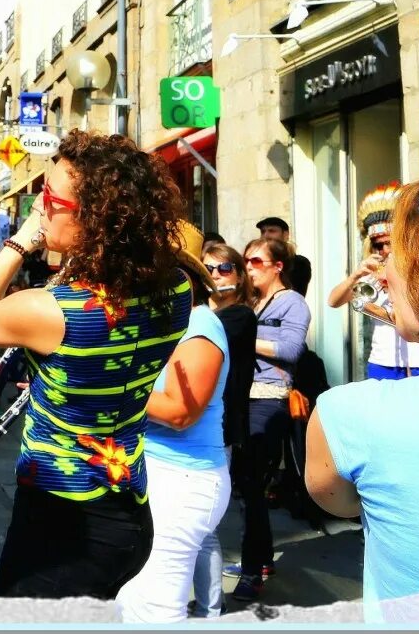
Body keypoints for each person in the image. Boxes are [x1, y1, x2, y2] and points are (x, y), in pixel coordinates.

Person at [0, 130, 194, 600]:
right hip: (128, 508)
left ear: (95, 218)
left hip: (63, 523)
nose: (41, 209)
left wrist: (21, 242)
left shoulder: (53, 311)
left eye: (48, 198)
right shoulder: (177, 288)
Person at [307, 181, 419, 622]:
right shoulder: (370, 272)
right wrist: (359, 274)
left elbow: (342, 500)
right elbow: (339, 301)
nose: (387, 270)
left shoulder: (347, 412)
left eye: (398, 251)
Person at [116, 246, 232, 623]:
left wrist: (108, 384)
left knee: (155, 607)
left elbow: (181, 412)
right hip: (154, 470)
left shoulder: (200, 326)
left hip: (183, 480)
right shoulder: (167, 324)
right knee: (133, 597)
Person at [232, 235, 311, 602]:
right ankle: (261, 559)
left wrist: (244, 339)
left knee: (252, 482)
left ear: (278, 266)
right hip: (243, 398)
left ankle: (252, 570)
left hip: (270, 399)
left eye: (257, 261)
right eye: (246, 261)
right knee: (247, 488)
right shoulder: (252, 301)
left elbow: (291, 349)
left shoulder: (291, 302)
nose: (249, 267)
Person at [190, 240, 256, 618]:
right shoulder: (204, 314)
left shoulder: (239, 316)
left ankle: (210, 609)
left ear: (239, 276)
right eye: (208, 269)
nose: (215, 276)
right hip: (194, 425)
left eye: (223, 269)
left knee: (202, 526)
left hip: (220, 429)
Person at [327, 182, 419, 380]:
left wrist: (376, 305)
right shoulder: (371, 272)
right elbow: (333, 301)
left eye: (389, 243)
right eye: (379, 245)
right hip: (383, 359)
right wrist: (356, 276)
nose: (385, 250)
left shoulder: (417, 270)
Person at [257, 216, 312, 297]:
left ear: (285, 235)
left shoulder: (299, 263)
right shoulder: (255, 262)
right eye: (263, 231)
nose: (266, 235)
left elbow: (295, 293)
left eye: (272, 231)